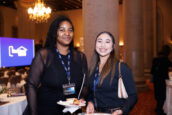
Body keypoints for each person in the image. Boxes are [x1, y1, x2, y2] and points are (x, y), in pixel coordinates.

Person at [24, 16, 88, 115]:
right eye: (62, 30)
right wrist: (33, 113)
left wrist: (81, 98)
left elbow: (84, 84)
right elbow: (31, 86)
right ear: (55, 33)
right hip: (46, 110)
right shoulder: (44, 55)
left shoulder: (80, 57)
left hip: (71, 111)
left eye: (70, 30)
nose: (67, 33)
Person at [86, 31, 137, 115]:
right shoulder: (93, 68)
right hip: (96, 113)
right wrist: (90, 102)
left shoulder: (121, 67)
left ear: (113, 46)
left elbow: (133, 95)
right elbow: (91, 92)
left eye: (107, 42)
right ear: (95, 45)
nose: (102, 45)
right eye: (99, 41)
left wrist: (122, 111)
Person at [151, 45, 172, 115]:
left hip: (156, 79)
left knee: (157, 95)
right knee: (162, 96)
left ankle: (157, 108)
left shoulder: (155, 59)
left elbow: (152, 71)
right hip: (162, 80)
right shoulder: (166, 59)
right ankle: (159, 110)